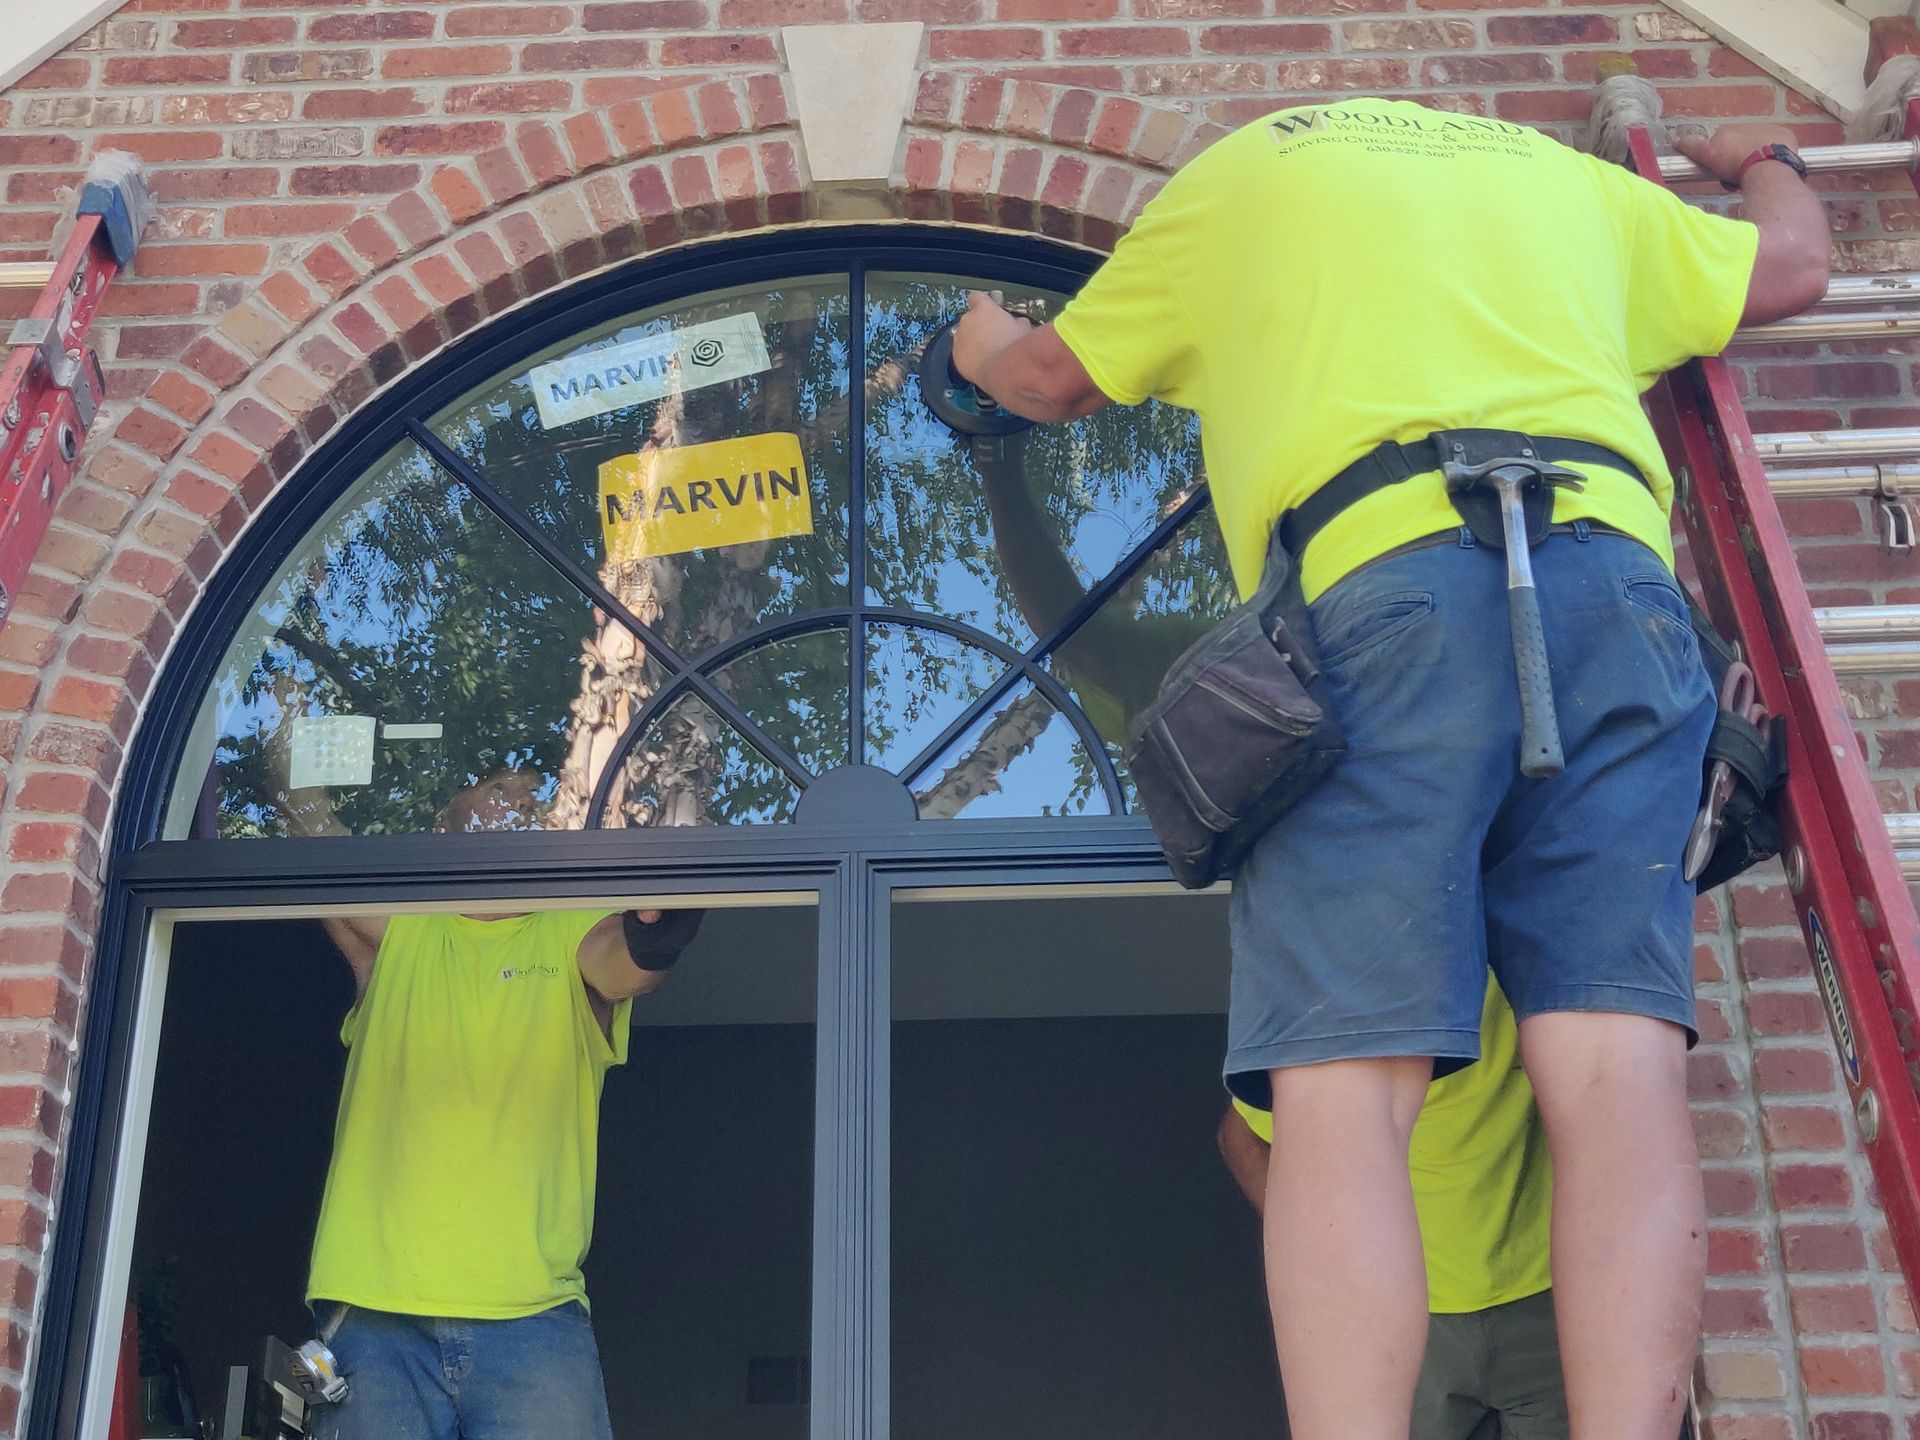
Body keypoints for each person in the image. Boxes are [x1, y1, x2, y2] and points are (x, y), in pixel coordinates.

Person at [951, 102, 1829, 1440]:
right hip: (1617, 587)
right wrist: (1767, 161)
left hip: (1387, 581)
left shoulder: (1245, 175)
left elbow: (1048, 382)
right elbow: (1792, 272)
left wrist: (976, 340)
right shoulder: (1557, 179)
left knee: (1347, 1088)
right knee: (1615, 1068)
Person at [275, 750, 703, 1439]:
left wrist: (659, 929)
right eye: (498, 790)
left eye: (534, 802)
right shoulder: (403, 927)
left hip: (532, 1315)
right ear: (445, 826)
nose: (518, 805)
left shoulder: (571, 927)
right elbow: (311, 831)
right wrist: (284, 729)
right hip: (375, 1312)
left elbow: (623, 962)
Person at [1220, 979, 1564, 1440]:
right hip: (1408, 1312)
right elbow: (1240, 1138)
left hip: (1544, 1297)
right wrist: (1324, 1249)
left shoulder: (1512, 971)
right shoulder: (1339, 1005)